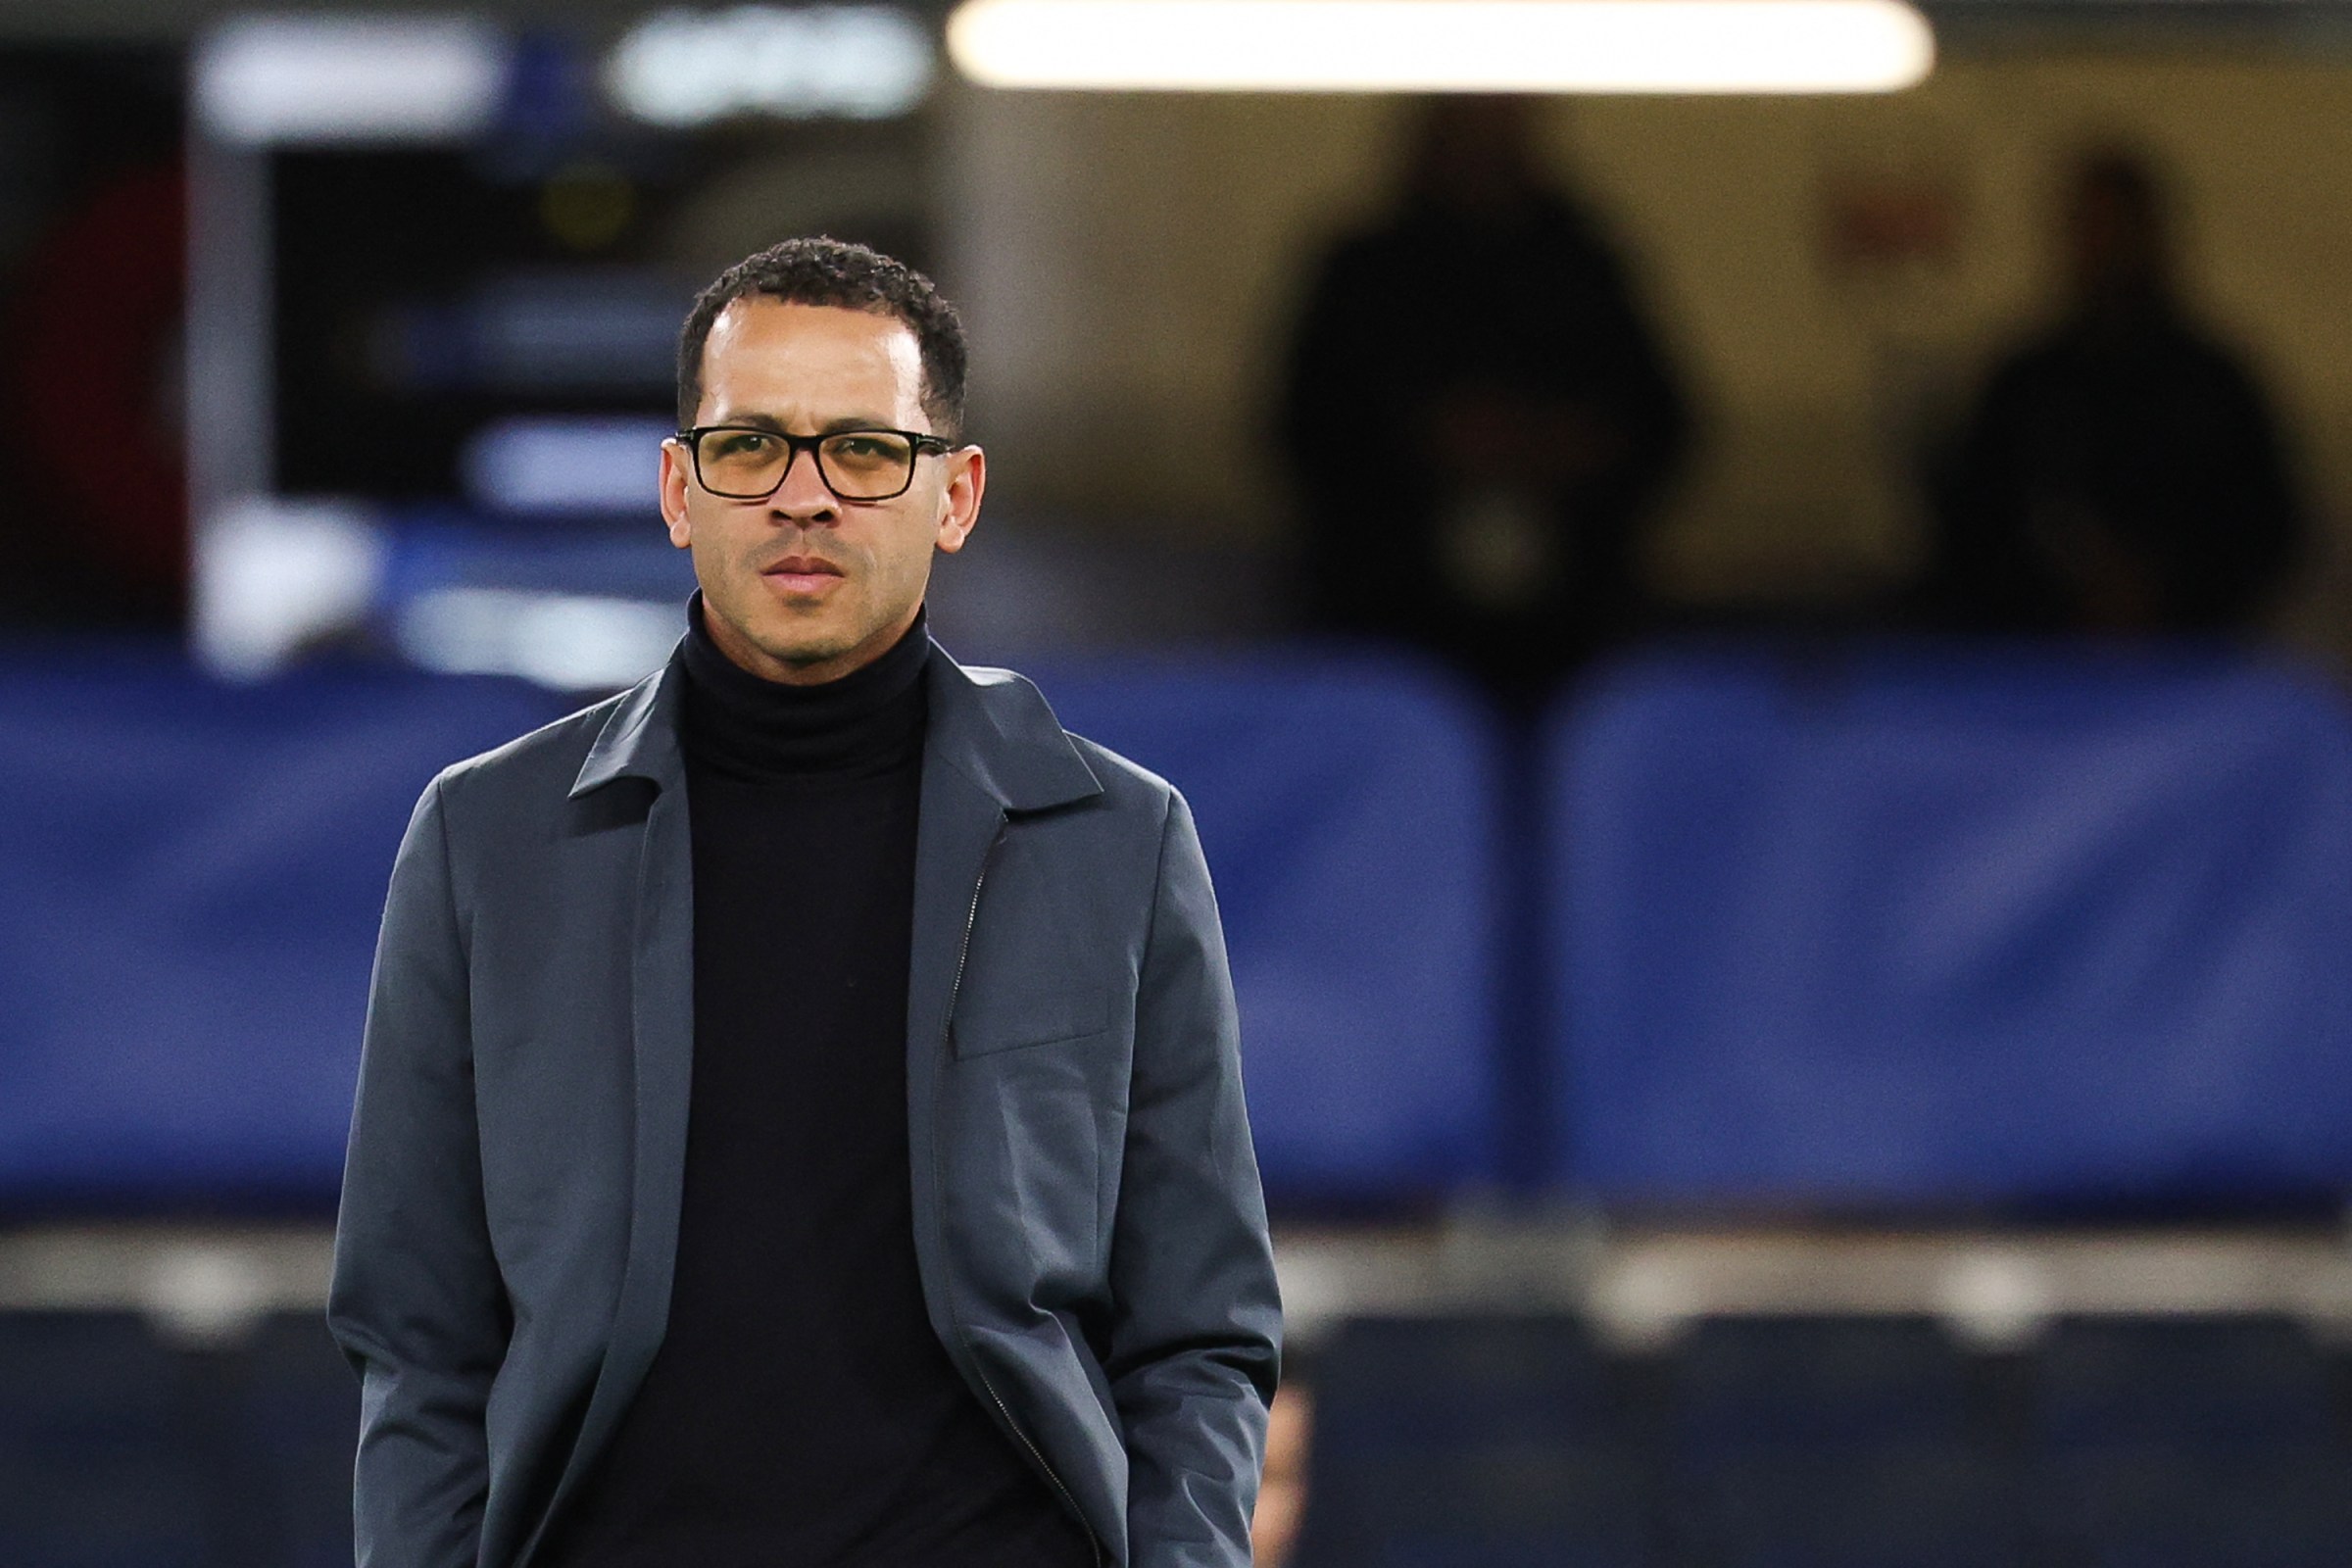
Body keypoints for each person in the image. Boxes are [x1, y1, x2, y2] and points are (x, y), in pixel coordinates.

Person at [328, 238, 1280, 1568]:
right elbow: (418, 1341)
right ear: (678, 488)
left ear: (956, 494)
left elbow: (1201, 1333)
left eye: (866, 452)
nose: (804, 497)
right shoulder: (486, 843)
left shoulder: (1117, 841)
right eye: (751, 448)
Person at [1279, 95, 1690, 709]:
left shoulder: (1581, 265)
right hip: (1389, 630)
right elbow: (1301, 430)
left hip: (1575, 639)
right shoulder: (1366, 271)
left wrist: (1564, 444)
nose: (1482, 152)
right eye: (1465, 128)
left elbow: (1667, 423)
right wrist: (1423, 444)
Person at [1925, 148, 2305, 634]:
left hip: (2193, 668)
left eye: (2120, 226)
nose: (2107, 247)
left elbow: (2267, 528)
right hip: (2040, 666)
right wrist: (2059, 596)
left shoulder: (2213, 387)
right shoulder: (2026, 387)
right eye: (2093, 227)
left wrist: (2171, 590)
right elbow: (1972, 527)